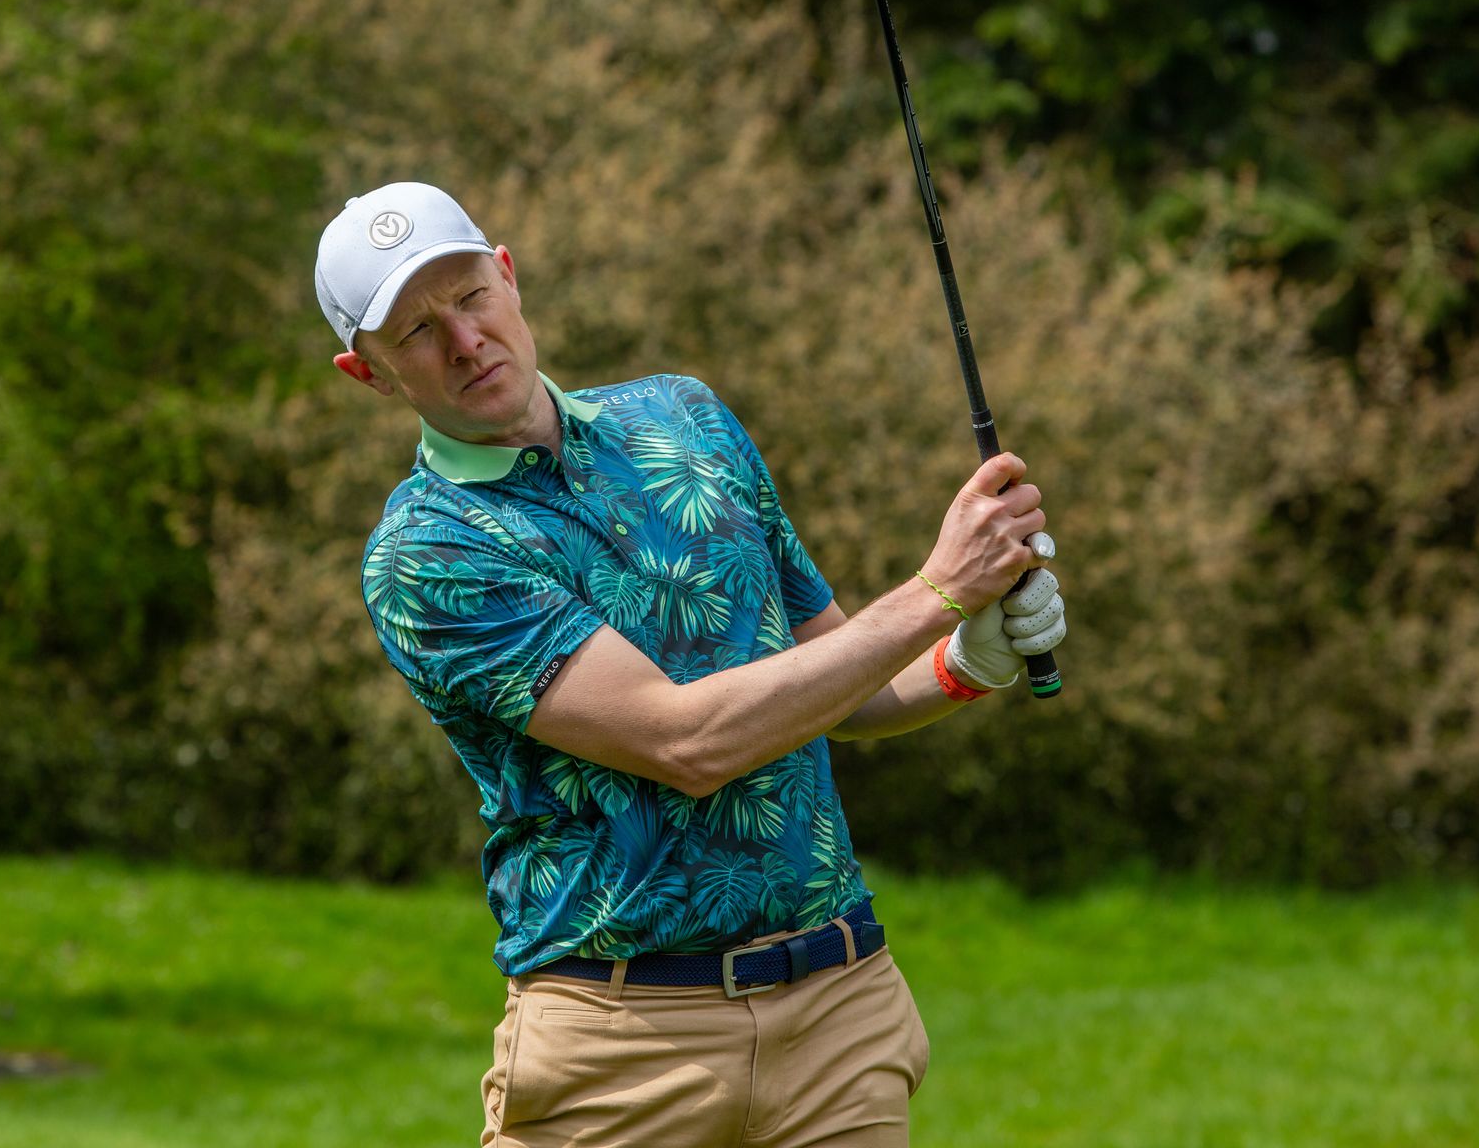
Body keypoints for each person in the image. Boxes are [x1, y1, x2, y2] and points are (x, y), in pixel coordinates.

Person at [317, 182, 1067, 1147]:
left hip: (839, 1010)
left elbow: (841, 683)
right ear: (366, 373)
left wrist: (969, 659)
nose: (464, 341)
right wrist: (939, 593)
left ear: (507, 276)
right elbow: (688, 740)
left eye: (468, 297)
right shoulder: (428, 552)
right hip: (624, 1051)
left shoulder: (688, 418)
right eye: (416, 331)